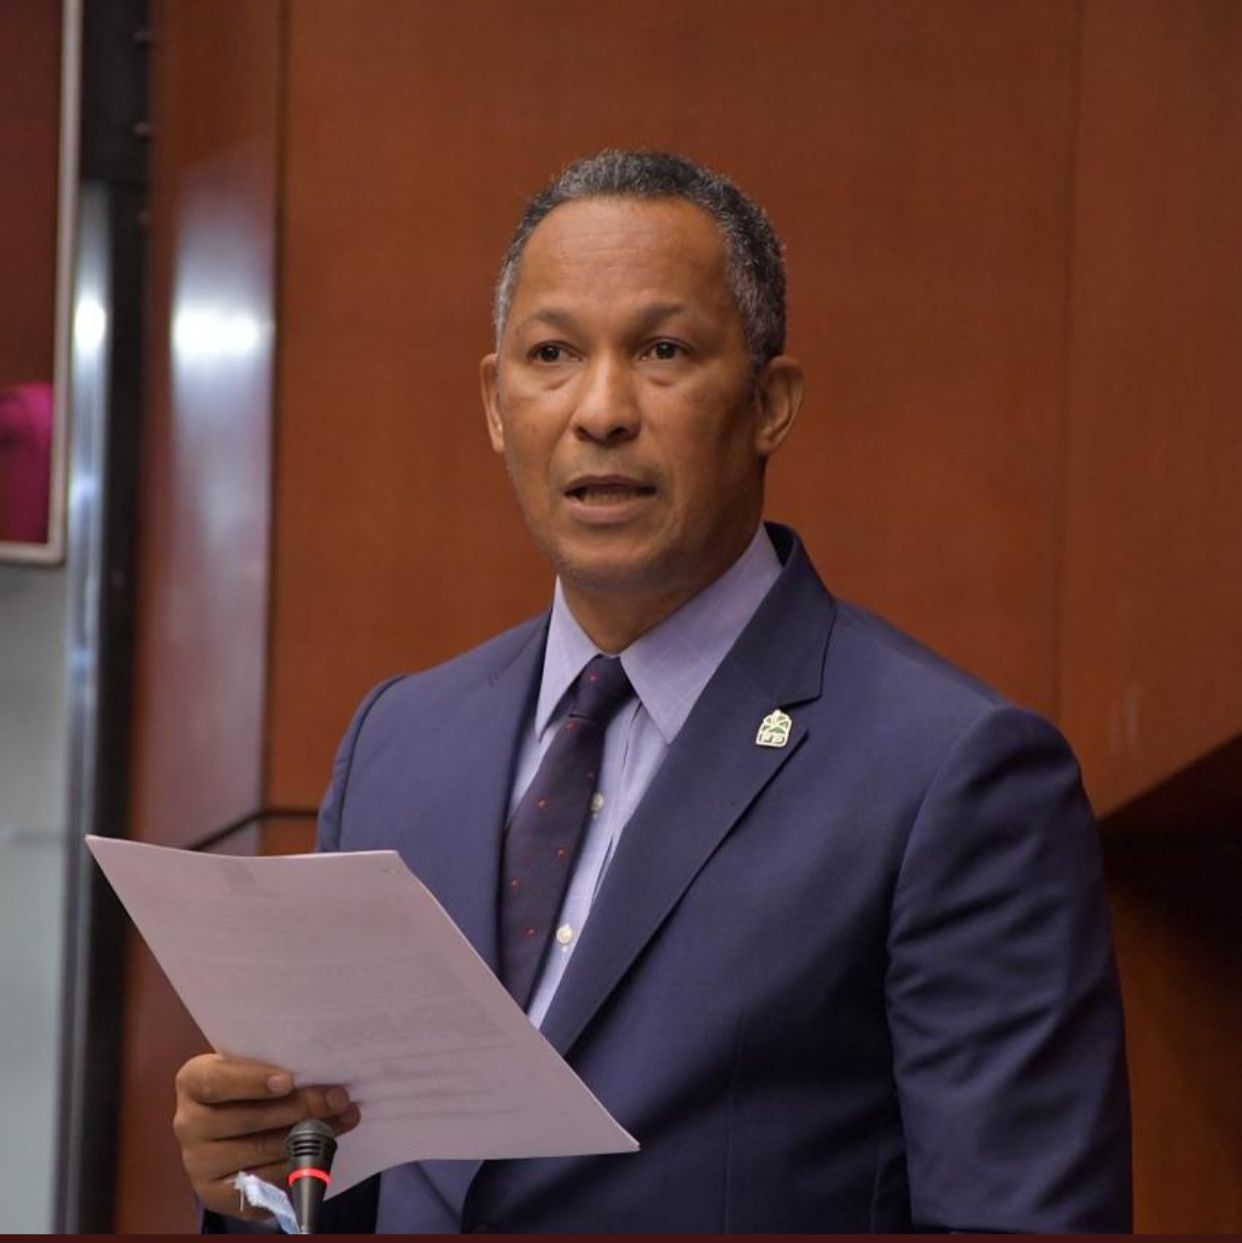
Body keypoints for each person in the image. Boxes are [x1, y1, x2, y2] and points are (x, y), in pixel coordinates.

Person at [174, 150, 1131, 1232]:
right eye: (552, 354)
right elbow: (341, 1191)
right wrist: (257, 1180)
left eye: (663, 351)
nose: (601, 410)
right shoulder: (401, 741)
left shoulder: (950, 771)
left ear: (771, 403)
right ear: (495, 404)